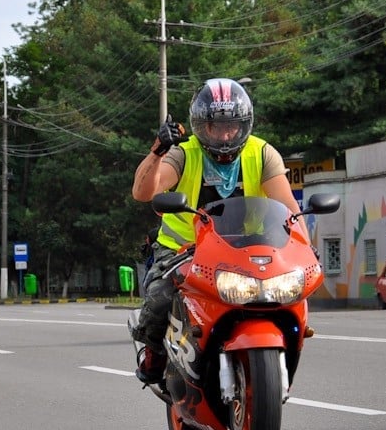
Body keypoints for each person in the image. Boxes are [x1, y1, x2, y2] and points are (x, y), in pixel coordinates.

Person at [129, 78, 305, 384]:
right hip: (181, 250)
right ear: (200, 126)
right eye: (215, 127)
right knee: (159, 298)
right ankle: (154, 351)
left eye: (232, 126)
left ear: (244, 124)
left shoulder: (262, 154)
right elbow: (144, 193)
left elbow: (289, 209)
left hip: (248, 249)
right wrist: (157, 151)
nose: (224, 135)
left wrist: (305, 252)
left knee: (288, 294)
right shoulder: (184, 153)